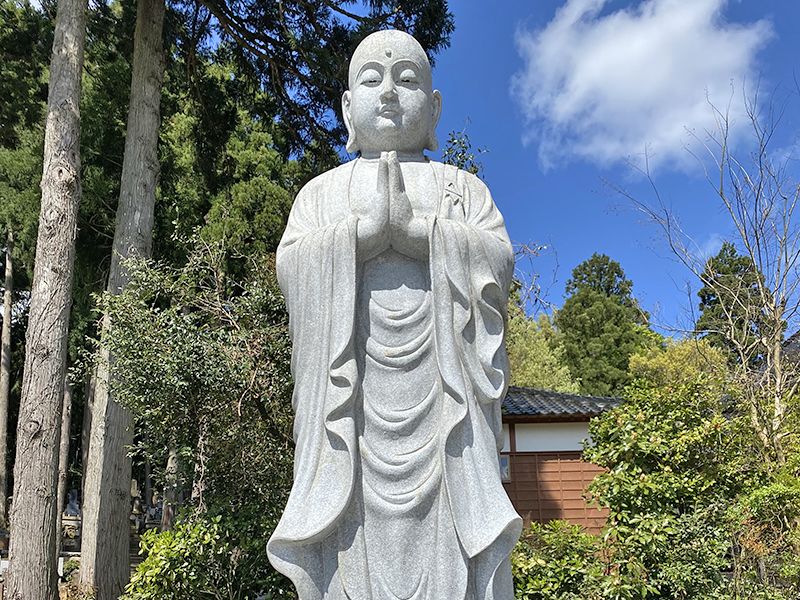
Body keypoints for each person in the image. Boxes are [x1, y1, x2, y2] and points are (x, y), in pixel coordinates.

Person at [268, 29, 521, 600]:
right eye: (371, 79)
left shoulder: (463, 190)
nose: (388, 93)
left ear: (433, 109)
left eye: (407, 80)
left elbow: (498, 262)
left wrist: (418, 234)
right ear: (346, 108)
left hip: (445, 410)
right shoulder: (320, 193)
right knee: (348, 532)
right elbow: (292, 268)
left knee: (452, 528)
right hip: (349, 415)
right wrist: (357, 239)